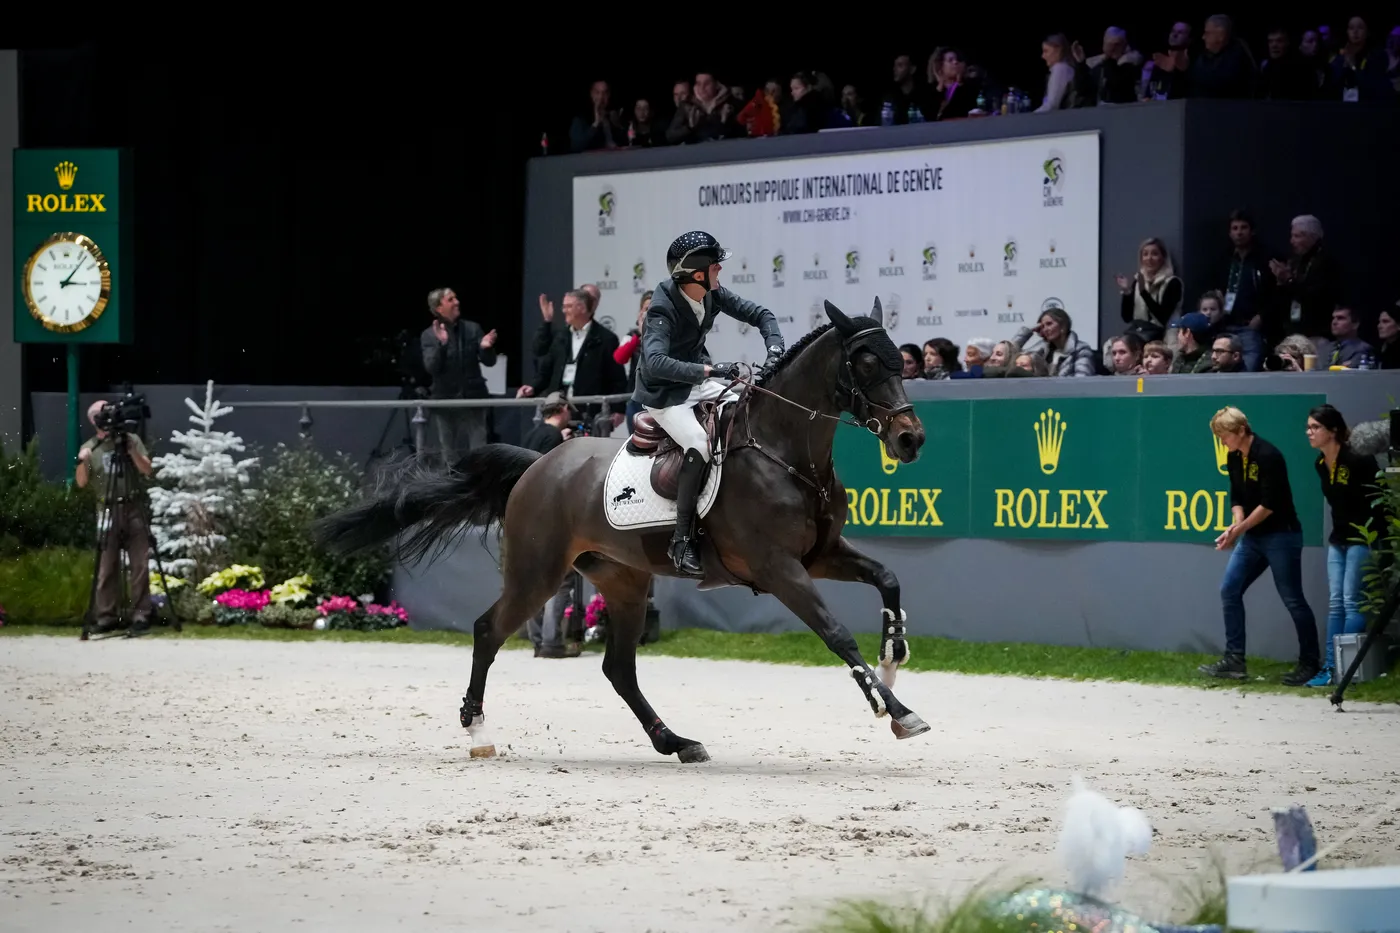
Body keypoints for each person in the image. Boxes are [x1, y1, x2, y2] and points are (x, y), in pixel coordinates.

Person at [634, 230, 786, 575]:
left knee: (748, 410)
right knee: (700, 444)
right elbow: (656, 362)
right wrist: (712, 368)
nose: (721, 269)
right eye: (715, 265)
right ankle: (681, 539)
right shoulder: (661, 307)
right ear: (696, 273)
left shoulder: (712, 293)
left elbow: (762, 315)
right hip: (665, 393)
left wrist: (775, 349)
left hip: (699, 381)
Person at [1199, 406, 1321, 686]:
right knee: (1229, 589)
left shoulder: (1269, 455)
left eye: (1224, 435)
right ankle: (1234, 661)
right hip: (1254, 537)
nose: (1222, 441)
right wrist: (1236, 524)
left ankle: (1310, 663)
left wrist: (1238, 531)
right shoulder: (1233, 456)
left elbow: (1269, 505)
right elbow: (1237, 495)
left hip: (1281, 535)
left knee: (1292, 598)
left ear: (1241, 430)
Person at [1304, 404, 1383, 686]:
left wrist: (1375, 539)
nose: (1309, 432)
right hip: (1338, 539)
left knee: (1351, 602)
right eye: (1308, 427)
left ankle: (1346, 670)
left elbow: (1379, 498)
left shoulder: (1358, 458)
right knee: (1335, 603)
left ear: (1333, 429)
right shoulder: (1319, 464)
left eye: (1315, 427)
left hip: (1363, 538)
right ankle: (1329, 669)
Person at [75, 399, 155, 633]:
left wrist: (131, 451)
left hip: (132, 506)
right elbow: (81, 483)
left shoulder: (131, 440)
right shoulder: (92, 446)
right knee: (106, 565)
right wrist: (82, 461)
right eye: (105, 412)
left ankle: (141, 614)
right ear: (95, 420)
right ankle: (106, 616)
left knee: (140, 562)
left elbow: (147, 470)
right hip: (106, 509)